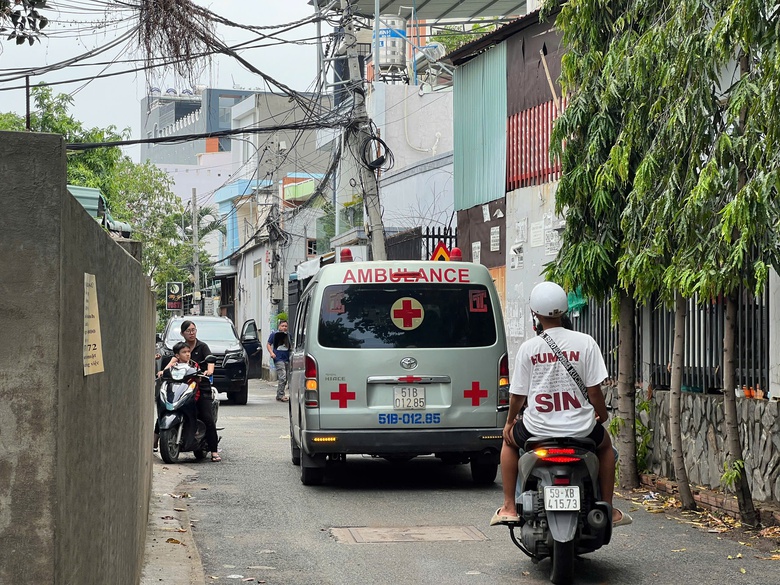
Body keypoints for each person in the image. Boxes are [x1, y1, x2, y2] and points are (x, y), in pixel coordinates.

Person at [490, 282, 631, 527]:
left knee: (509, 441)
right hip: (581, 431)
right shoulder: (586, 342)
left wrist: (510, 422)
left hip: (537, 430)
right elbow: (595, 391)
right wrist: (602, 415)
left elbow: (517, 397)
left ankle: (510, 507)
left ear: (535, 314)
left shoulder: (529, 348)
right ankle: (608, 507)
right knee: (606, 446)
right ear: (564, 311)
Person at [180, 320, 222, 462]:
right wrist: (163, 371)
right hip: (183, 387)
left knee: (207, 418)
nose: (191, 333)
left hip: (201, 387)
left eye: (193, 330)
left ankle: (214, 451)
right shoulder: (182, 348)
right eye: (188, 331)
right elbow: (172, 361)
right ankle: (155, 442)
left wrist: (208, 372)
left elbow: (211, 364)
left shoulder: (203, 347)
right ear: (182, 333)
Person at [267, 320, 290, 402]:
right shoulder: (275, 334)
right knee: (282, 376)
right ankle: (281, 395)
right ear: (279, 326)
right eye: (282, 326)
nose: (284, 328)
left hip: (287, 358)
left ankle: (279, 394)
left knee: (286, 377)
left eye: (286, 326)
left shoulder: (288, 335)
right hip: (278, 358)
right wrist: (272, 353)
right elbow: (268, 344)